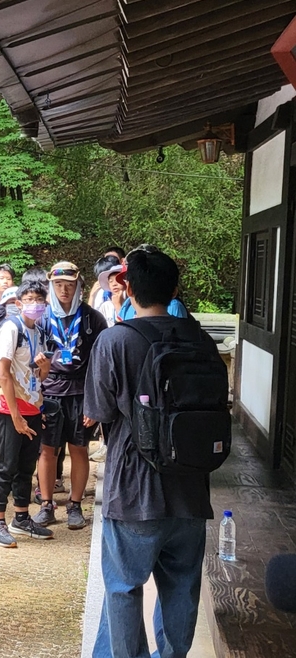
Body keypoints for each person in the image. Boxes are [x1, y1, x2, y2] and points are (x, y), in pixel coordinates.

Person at [85, 246, 214, 658]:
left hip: (134, 490)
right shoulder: (202, 340)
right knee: (182, 588)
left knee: (124, 589)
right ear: (174, 287)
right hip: (192, 490)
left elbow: (98, 410)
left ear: (125, 286)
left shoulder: (115, 340)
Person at [33, 262, 106, 530]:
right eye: (59, 284)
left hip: (80, 392)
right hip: (49, 391)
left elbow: (100, 363)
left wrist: (94, 402)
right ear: (51, 286)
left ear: (79, 286)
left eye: (70, 285)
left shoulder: (92, 318)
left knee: (79, 449)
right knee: (47, 451)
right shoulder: (40, 318)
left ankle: (75, 506)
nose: (64, 290)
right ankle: (47, 505)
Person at [0, 280, 53, 549]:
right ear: (18, 303)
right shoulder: (10, 329)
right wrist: (14, 415)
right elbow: (3, 372)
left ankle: (22, 517)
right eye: (29, 299)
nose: (34, 304)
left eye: (39, 300)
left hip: (33, 407)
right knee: (6, 465)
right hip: (10, 408)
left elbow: (41, 376)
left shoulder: (39, 332)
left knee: (27, 466)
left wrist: (46, 366)